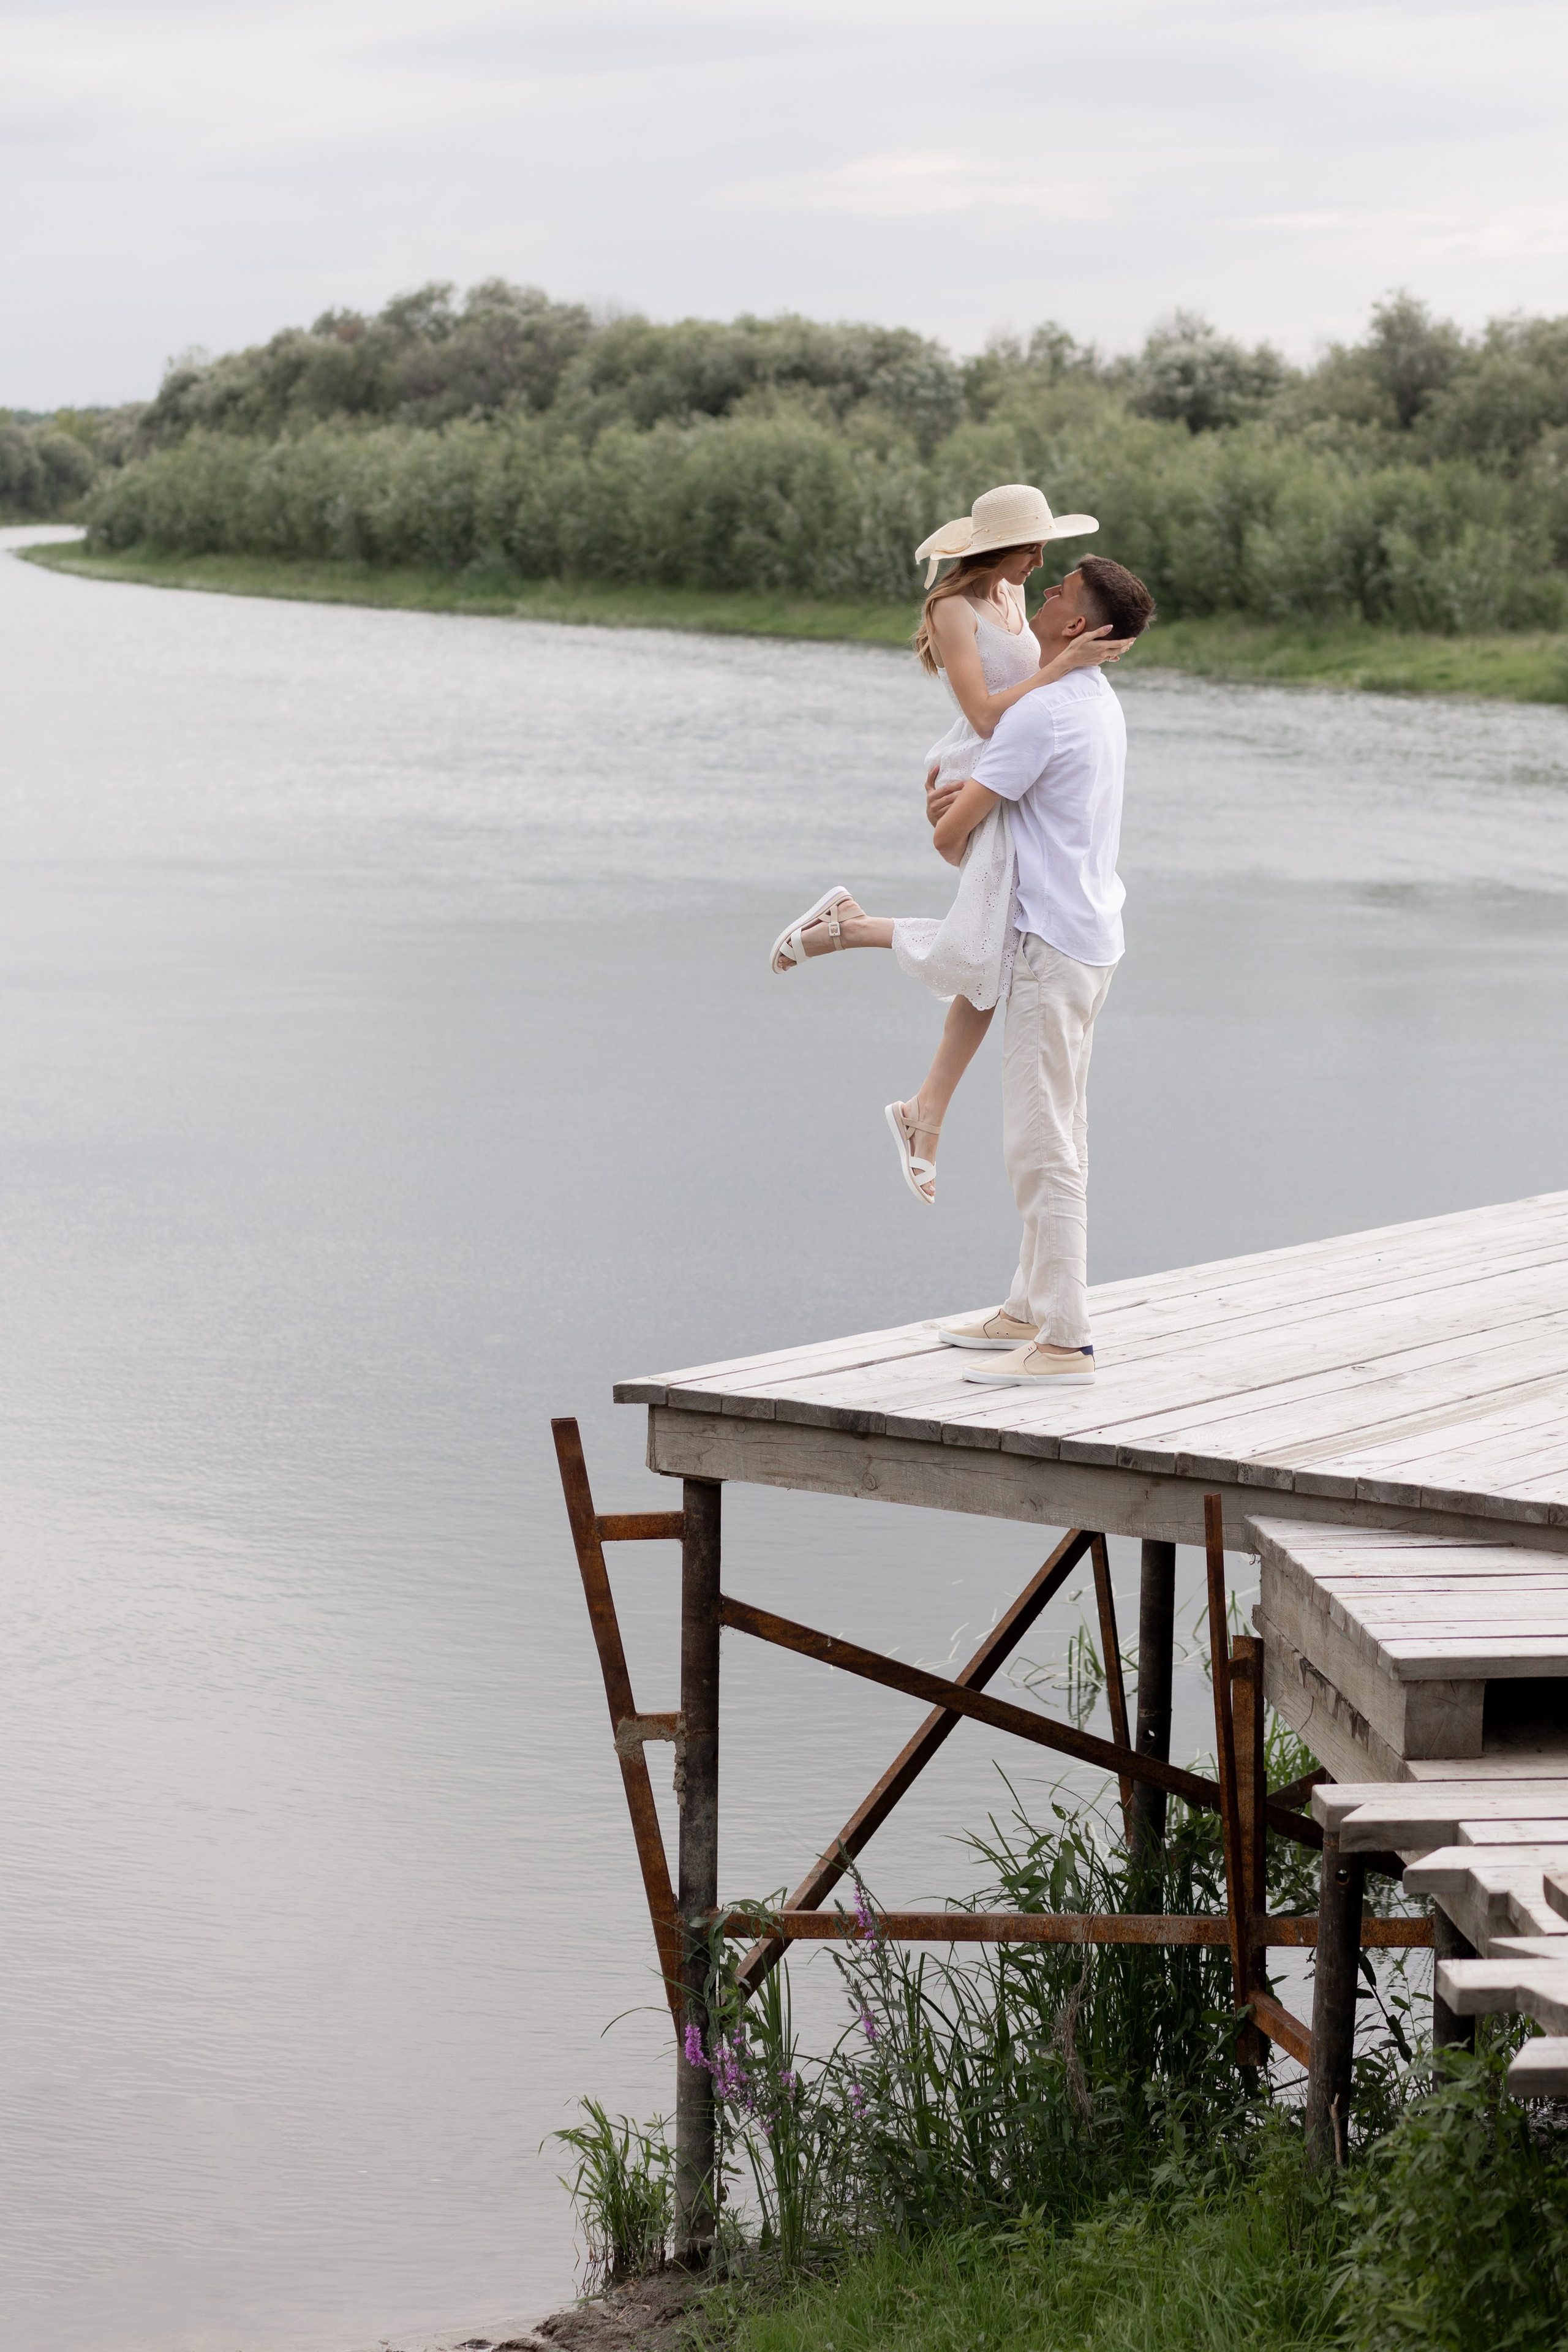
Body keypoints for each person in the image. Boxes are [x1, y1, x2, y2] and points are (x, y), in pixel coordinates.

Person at [770, 545, 1156, 1387]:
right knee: (1066, 1127)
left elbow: (950, 842)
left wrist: (952, 813)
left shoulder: (1039, 716)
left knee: (1038, 1141)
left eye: (1060, 592)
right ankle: (1026, 1305)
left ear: (1078, 625)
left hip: (1050, 948)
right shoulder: (1094, 701)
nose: (1043, 594)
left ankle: (1062, 1338)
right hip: (1090, 938)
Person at [771, 485, 1125, 1208]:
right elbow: (987, 714)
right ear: (995, 548)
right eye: (1032, 548)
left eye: (1044, 548)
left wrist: (1067, 673)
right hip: (982, 761)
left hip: (1012, 767)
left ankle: (916, 1096)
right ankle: (915, 1099)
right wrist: (1066, 668)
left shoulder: (1009, 596)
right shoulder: (950, 608)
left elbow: (1028, 696)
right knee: (986, 955)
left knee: (989, 952)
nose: (1039, 559)